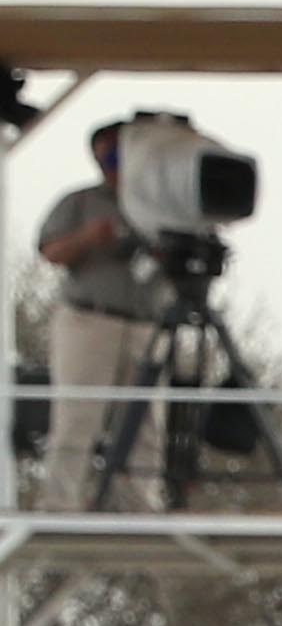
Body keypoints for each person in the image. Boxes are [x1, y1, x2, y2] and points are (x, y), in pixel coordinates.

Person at [27, 124, 169, 512]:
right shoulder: (81, 201)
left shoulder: (161, 205)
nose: (115, 166)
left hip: (146, 323)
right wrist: (88, 239)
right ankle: (60, 505)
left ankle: (140, 505)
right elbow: (50, 252)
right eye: (108, 157)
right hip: (90, 321)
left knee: (145, 423)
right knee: (77, 416)